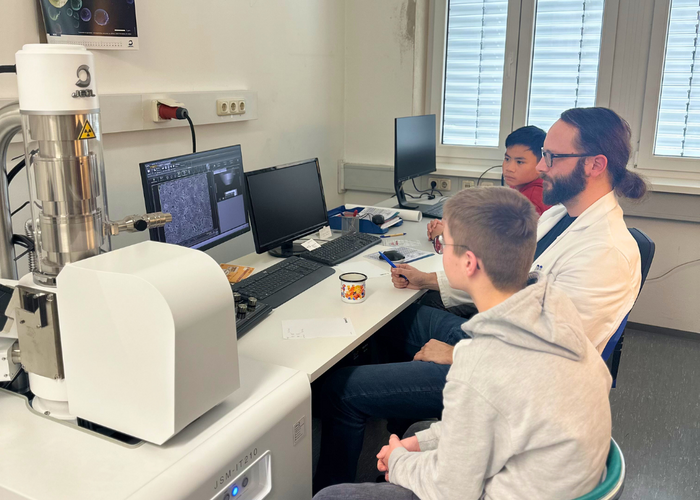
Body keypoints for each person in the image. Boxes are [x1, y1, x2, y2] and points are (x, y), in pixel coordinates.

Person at [313, 107, 644, 491]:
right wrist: (427, 279)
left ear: (595, 165)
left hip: (512, 371)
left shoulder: (605, 255)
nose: (540, 167)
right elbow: (499, 275)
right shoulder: (559, 216)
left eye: (552, 157)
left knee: (342, 390)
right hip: (502, 344)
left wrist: (460, 354)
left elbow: (546, 368)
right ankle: (396, 422)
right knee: (397, 322)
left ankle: (351, 458)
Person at [314, 188, 613, 500]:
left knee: (329, 498)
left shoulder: (479, 366)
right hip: (551, 478)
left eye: (445, 244)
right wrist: (420, 443)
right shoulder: (555, 313)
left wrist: (399, 462)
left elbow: (451, 489)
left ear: (469, 262)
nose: (442, 251)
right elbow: (485, 422)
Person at [502, 125, 552, 215]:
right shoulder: (519, 184)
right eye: (507, 159)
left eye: (519, 162)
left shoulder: (531, 198)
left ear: (540, 164)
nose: (509, 168)